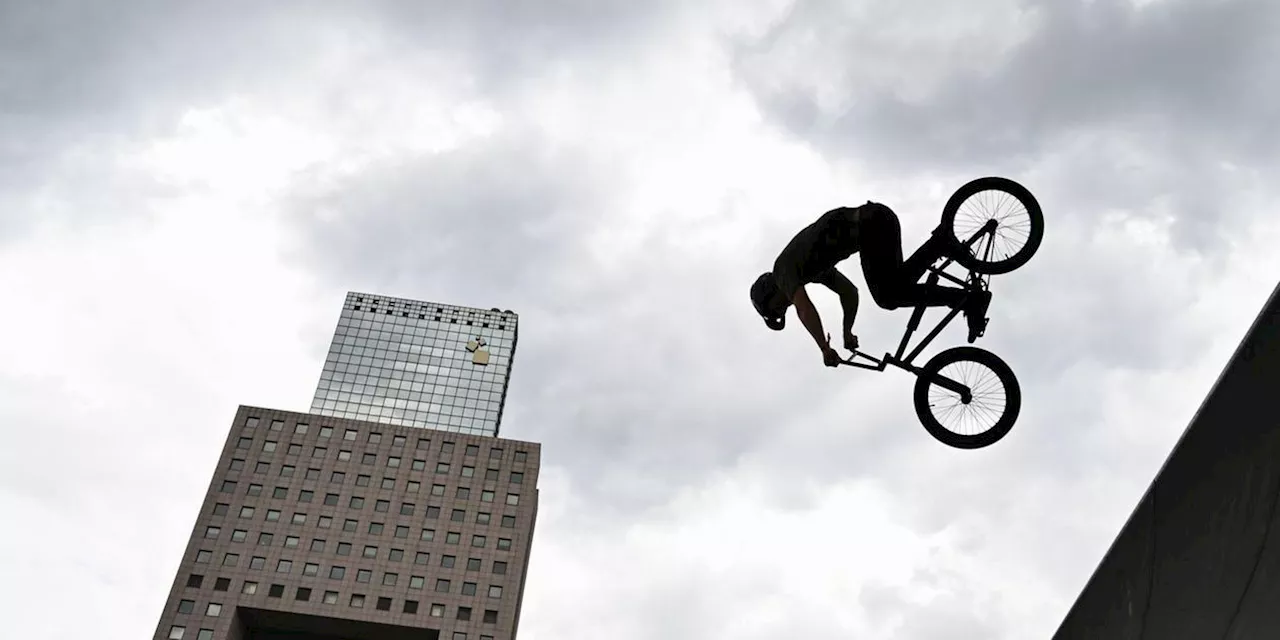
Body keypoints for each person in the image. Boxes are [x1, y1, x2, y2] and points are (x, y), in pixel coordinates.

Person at [750, 201, 991, 367]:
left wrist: (824, 348)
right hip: (878, 220)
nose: (785, 308)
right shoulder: (810, 270)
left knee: (887, 296)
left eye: (778, 309)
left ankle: (950, 266)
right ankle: (942, 250)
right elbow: (849, 292)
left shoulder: (782, 271)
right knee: (896, 288)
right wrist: (847, 331)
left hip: (869, 226)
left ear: (769, 295)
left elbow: (805, 308)